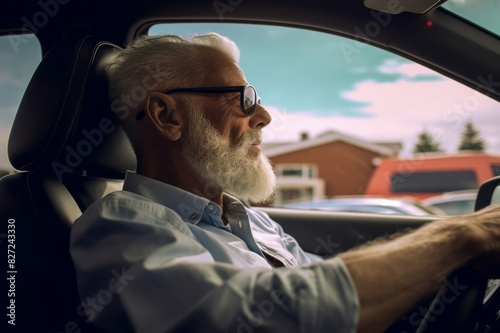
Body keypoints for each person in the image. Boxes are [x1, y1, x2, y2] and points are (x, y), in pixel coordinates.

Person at [70, 33, 500, 333]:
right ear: (167, 117)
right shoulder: (120, 228)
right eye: (243, 99)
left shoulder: (248, 221)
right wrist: (463, 234)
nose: (264, 116)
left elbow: (322, 282)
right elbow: (270, 318)